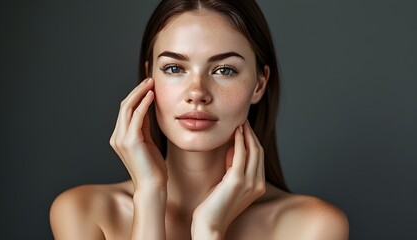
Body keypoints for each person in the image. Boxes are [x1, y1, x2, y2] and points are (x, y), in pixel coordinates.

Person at [50, 0, 349, 239]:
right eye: (174, 68)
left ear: (259, 85)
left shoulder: (312, 228)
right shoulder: (83, 212)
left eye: (224, 70)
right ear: (148, 77)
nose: (197, 93)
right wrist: (150, 197)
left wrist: (209, 229)